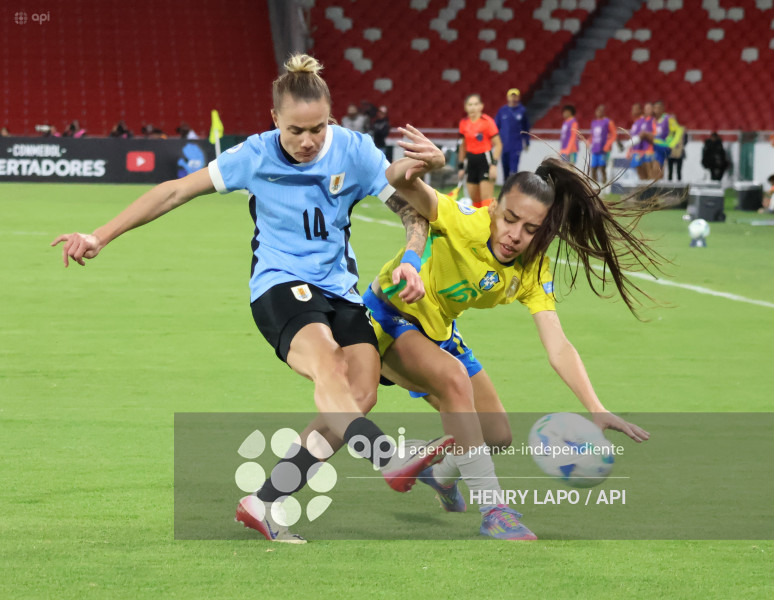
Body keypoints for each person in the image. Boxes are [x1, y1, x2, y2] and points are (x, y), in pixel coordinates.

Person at [51, 54, 449, 544]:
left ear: (332, 119)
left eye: (318, 129)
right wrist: (101, 234)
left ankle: (262, 503)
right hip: (280, 286)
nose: (307, 141)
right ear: (274, 120)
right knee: (328, 367)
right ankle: (389, 457)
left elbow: (412, 209)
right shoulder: (254, 155)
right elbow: (175, 191)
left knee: (357, 398)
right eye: (296, 130)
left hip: (339, 290)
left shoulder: (356, 150)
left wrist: (412, 256)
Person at [363, 125, 655, 541]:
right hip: (388, 317)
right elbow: (399, 183)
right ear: (495, 207)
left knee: (497, 434)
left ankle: (439, 474)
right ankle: (494, 510)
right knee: (454, 382)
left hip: (439, 330)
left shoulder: (535, 269)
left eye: (532, 229)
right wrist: (427, 165)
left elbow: (558, 345)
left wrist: (596, 406)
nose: (516, 235)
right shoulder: (462, 220)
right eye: (510, 219)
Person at [457, 93, 502, 208]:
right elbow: (463, 146)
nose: (473, 107)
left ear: (481, 106)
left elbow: (498, 145)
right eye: (470, 104)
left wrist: (494, 165)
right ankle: (478, 225)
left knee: (486, 201)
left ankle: (492, 225)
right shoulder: (463, 123)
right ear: (465, 107)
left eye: (476, 104)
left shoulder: (487, 122)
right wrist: (461, 167)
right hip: (471, 164)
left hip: (485, 163)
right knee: (475, 202)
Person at [494, 88, 530, 179]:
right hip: (504, 144)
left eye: (515, 96)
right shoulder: (502, 110)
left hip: (516, 144)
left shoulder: (522, 111)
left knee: (514, 169)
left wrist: (527, 142)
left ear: (518, 97)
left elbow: (526, 128)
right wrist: (494, 141)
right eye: (511, 96)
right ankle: (506, 187)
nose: (513, 98)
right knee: (505, 168)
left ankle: (513, 188)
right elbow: (495, 127)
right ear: (508, 97)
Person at [652, 101, 684, 180]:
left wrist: (671, 143)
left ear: (663, 109)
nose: (656, 110)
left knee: (657, 167)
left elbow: (679, 130)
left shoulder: (668, 118)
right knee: (654, 169)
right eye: (655, 108)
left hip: (662, 146)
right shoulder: (653, 121)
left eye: (658, 108)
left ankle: (657, 186)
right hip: (654, 147)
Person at [588, 104, 617, 185]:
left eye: (601, 111)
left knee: (602, 167)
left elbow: (614, 134)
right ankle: (594, 184)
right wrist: (589, 141)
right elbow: (592, 135)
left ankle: (604, 184)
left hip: (603, 150)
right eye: (597, 110)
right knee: (593, 168)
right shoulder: (594, 123)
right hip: (595, 149)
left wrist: (608, 145)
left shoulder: (608, 122)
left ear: (604, 112)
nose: (598, 112)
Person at [628, 103, 656, 180]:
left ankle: (650, 188)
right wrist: (630, 150)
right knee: (640, 170)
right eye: (646, 108)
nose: (648, 110)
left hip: (649, 149)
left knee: (649, 169)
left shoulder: (653, 121)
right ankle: (644, 187)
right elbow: (635, 136)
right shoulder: (639, 121)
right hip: (638, 150)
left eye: (649, 108)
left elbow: (655, 134)